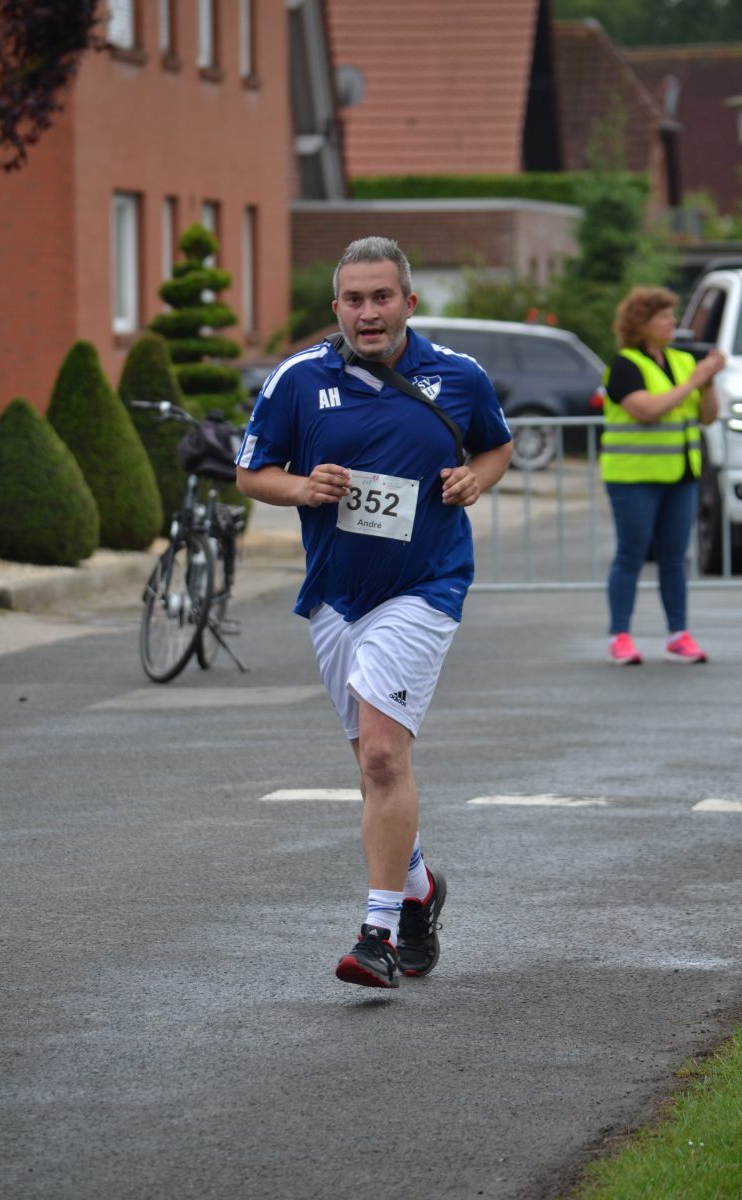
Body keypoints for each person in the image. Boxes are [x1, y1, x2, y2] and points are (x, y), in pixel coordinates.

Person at [235, 236, 513, 990]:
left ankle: (378, 934)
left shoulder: (458, 375)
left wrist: (475, 480)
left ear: (408, 302)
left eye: (381, 297)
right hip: (337, 594)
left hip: (425, 585)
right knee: (370, 764)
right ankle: (419, 887)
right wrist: (303, 488)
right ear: (336, 307)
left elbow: (495, 448)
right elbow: (252, 473)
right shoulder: (298, 378)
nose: (368, 312)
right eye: (354, 300)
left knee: (386, 755)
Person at [601, 286, 726, 665]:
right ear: (642, 323)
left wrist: (707, 383)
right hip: (633, 477)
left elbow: (707, 416)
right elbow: (647, 410)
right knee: (631, 554)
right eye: (664, 317)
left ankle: (678, 634)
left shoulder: (683, 360)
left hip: (680, 475)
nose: (673, 322)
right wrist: (694, 381)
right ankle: (620, 636)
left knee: (675, 558)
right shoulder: (624, 365)